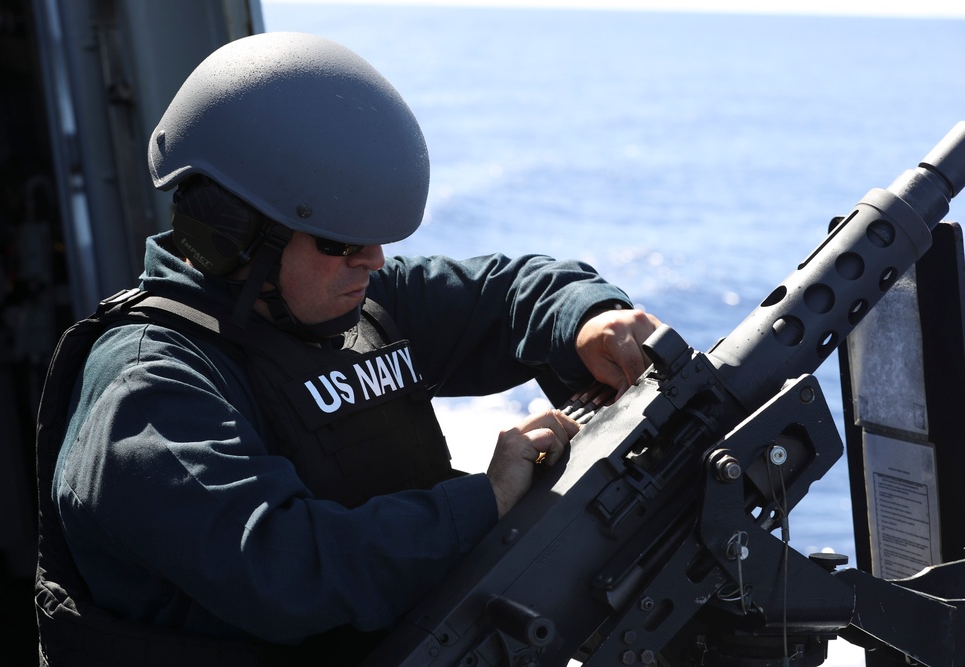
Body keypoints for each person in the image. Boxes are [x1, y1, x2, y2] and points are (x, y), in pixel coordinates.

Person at [34, 31, 662, 666]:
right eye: (339, 241)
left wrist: (589, 319)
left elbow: (506, 291)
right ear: (234, 235)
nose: (373, 261)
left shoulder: (351, 302)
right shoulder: (148, 389)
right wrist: (487, 499)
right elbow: (283, 570)